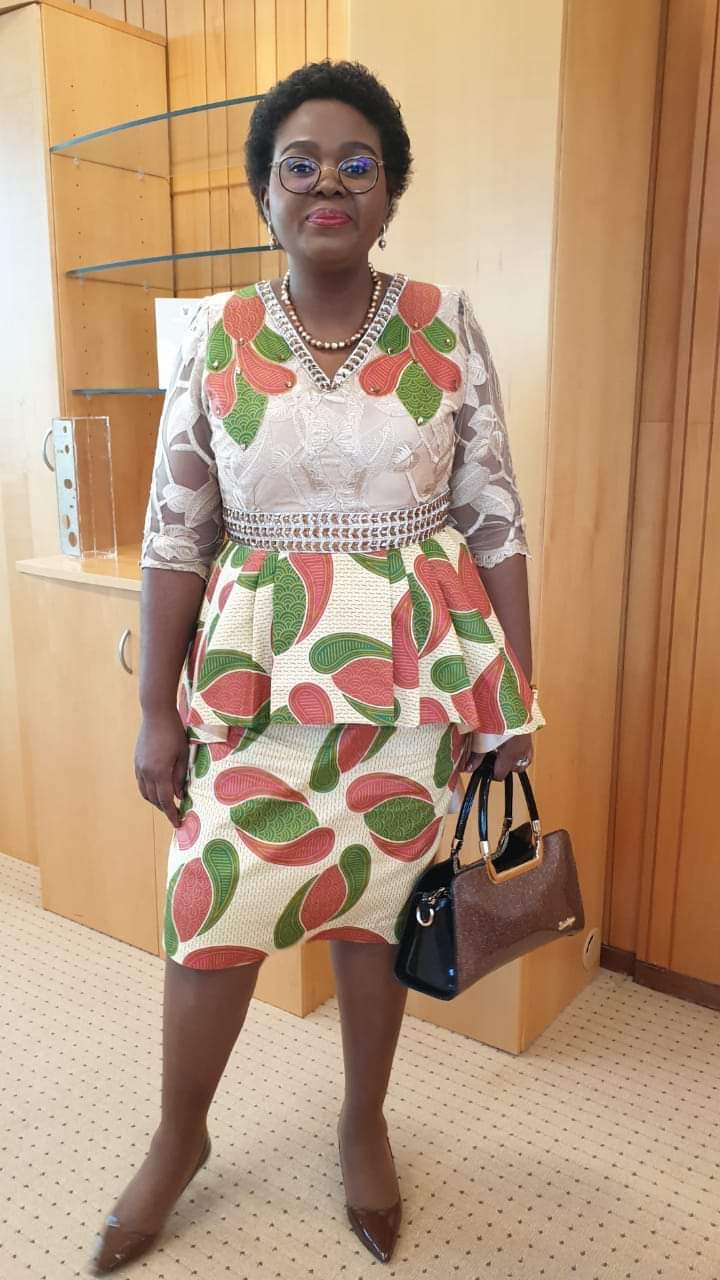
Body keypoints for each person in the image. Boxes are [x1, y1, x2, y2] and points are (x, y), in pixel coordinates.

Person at [90, 58, 544, 1273]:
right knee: (210, 910)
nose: (329, 183)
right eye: (301, 165)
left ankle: (363, 1121)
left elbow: (494, 517)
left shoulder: (445, 322)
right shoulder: (219, 334)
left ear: (388, 194)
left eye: (357, 165)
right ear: (266, 194)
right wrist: (153, 709)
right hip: (255, 681)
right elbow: (176, 530)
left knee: (377, 911)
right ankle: (180, 1136)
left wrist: (516, 696)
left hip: (414, 679)